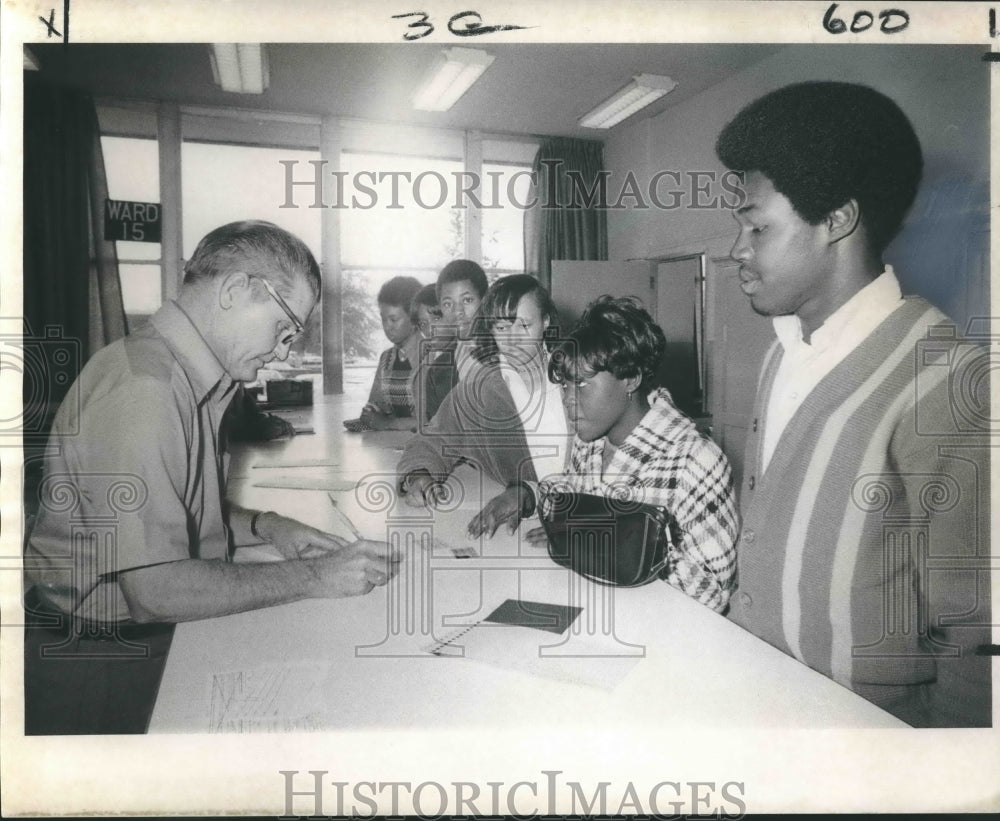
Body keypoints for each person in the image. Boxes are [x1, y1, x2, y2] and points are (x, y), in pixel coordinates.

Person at [23, 220, 400, 734]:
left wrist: (266, 525)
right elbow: (156, 591)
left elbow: (177, 507)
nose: (286, 351)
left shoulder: (180, 374)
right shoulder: (145, 391)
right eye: (285, 328)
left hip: (119, 635)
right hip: (98, 655)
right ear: (236, 290)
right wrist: (316, 577)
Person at [715, 81, 991, 727]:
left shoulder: (951, 382)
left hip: (864, 742)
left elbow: (978, 640)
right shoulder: (782, 352)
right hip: (760, 705)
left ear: (837, 219)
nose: (738, 248)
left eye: (757, 225)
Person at [521, 296, 739, 613]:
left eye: (582, 384)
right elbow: (574, 505)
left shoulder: (696, 459)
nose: (568, 400)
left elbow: (713, 593)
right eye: (565, 385)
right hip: (592, 609)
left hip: (663, 631)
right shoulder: (589, 440)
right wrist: (569, 529)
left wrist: (627, 546)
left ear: (631, 379)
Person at [397, 275, 571, 536]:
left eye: (524, 325)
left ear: (545, 321)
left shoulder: (578, 375)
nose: (512, 340)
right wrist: (418, 475)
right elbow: (430, 440)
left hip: (585, 521)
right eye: (501, 328)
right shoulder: (481, 388)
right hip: (520, 531)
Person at [413, 259, 489, 424]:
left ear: (484, 301)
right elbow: (436, 433)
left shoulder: (506, 355)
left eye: (467, 300)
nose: (458, 312)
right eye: (448, 304)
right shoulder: (437, 371)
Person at [356, 275, 423, 432]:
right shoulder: (386, 359)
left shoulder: (434, 357)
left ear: (414, 319)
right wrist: (370, 414)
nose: (387, 326)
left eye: (393, 319)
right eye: (383, 319)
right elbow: (375, 405)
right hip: (391, 445)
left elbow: (438, 420)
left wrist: (389, 423)